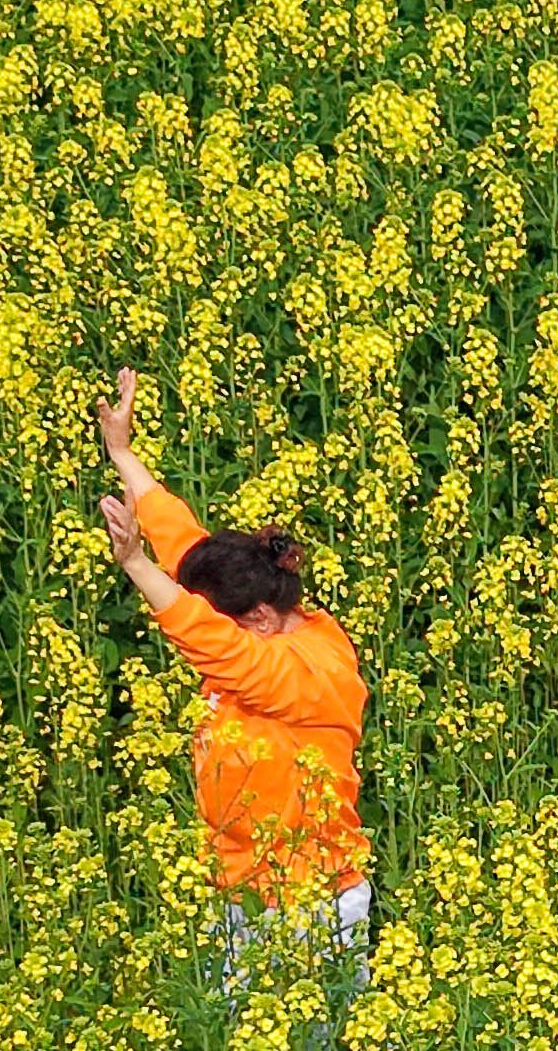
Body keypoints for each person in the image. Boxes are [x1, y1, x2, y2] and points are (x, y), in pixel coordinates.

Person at [92, 372, 370, 993]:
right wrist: (124, 456)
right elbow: (184, 544)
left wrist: (134, 566)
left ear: (262, 620)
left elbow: (210, 640)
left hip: (311, 907)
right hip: (246, 894)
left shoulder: (310, 672)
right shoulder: (261, 610)